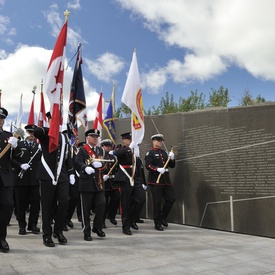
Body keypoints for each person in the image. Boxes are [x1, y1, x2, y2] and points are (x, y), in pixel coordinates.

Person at [34, 112, 75, 247]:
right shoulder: (46, 133)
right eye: (52, 118)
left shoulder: (64, 137)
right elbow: (37, 133)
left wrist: (71, 172)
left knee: (65, 201)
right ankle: (47, 234)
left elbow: (67, 156)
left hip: (61, 174)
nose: (55, 120)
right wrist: (44, 127)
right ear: (49, 119)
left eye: (57, 118)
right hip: (47, 174)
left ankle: (58, 230)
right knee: (47, 204)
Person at [74, 129, 106, 241]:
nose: (95, 138)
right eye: (93, 136)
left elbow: (104, 164)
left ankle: (97, 227)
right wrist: (85, 168)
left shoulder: (100, 150)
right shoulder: (82, 150)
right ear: (87, 138)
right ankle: (86, 231)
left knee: (102, 204)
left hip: (98, 182)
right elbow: (77, 162)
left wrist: (101, 166)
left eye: (96, 137)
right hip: (87, 182)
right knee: (85, 209)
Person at [113, 132, 146, 235]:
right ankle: (126, 225)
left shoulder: (136, 151)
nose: (130, 141)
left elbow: (139, 168)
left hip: (135, 178)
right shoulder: (121, 149)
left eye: (131, 139)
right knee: (125, 202)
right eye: (128, 139)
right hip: (125, 178)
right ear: (124, 140)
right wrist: (129, 149)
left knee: (140, 199)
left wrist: (142, 181)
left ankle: (132, 219)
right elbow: (116, 154)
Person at [12, 124, 41, 235]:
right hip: (21, 179)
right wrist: (20, 165)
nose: (31, 135)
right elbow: (12, 159)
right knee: (21, 204)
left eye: (33, 133)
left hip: (34, 179)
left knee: (35, 203)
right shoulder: (19, 144)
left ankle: (32, 225)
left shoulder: (38, 147)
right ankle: (22, 225)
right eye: (29, 132)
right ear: (26, 133)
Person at [0, 107, 22, 252]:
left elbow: (17, 157)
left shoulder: (9, 136)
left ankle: (1, 237)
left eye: (2, 118)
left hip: (5, 177)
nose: (0, 121)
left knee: (7, 206)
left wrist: (16, 147)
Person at [144, 134, 176, 231]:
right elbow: (148, 165)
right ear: (153, 141)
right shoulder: (150, 153)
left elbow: (172, 165)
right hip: (155, 181)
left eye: (161, 140)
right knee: (157, 203)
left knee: (171, 199)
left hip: (166, 180)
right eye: (158, 140)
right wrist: (157, 169)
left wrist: (172, 158)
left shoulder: (165, 153)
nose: (160, 142)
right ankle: (157, 223)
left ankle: (162, 217)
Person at [101, 139, 119, 228]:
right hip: (104, 182)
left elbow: (116, 169)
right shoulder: (100, 157)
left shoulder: (113, 157)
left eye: (109, 146)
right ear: (102, 146)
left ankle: (111, 216)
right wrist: (102, 175)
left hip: (113, 182)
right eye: (106, 146)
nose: (108, 148)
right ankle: (102, 220)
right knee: (104, 203)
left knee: (116, 199)